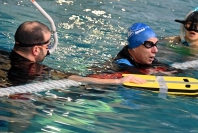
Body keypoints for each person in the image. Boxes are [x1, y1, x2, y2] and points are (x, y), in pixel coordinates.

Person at [6, 21, 146, 87]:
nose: (49, 50)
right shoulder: (34, 70)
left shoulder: (3, 55)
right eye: (48, 45)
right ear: (36, 50)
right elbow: (75, 79)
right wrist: (118, 81)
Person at [109, 22, 181, 75]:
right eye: (149, 44)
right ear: (134, 47)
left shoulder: (146, 60)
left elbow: (175, 71)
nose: (156, 50)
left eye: (156, 44)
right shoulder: (120, 64)